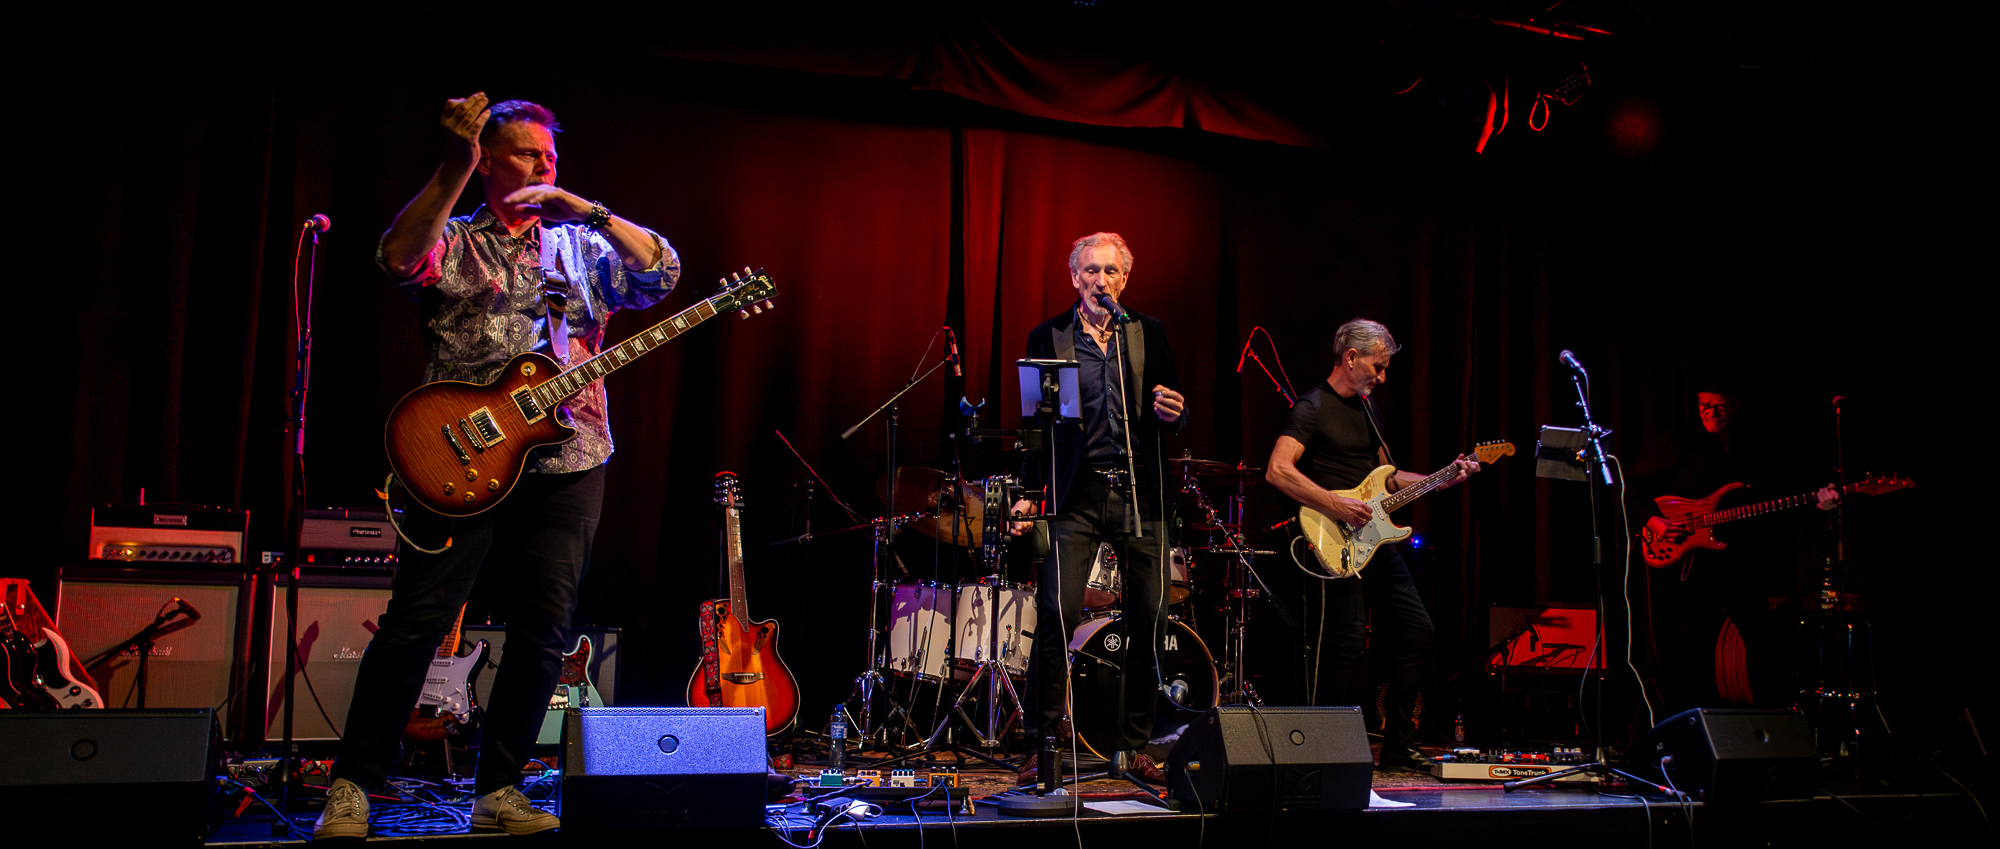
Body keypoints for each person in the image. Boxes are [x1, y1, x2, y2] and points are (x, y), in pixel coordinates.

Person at [316, 94, 680, 839]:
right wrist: (454, 162)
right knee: (416, 622)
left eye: (551, 154)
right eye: (526, 152)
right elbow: (397, 258)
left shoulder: (578, 248)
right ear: (487, 160)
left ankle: (500, 790)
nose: (544, 164)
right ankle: (352, 784)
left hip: (571, 456)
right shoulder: (455, 238)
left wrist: (588, 209)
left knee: (545, 629)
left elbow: (663, 272)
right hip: (460, 456)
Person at [1007, 232, 1186, 779]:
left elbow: (1174, 408)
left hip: (1141, 494)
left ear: (1124, 280)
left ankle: (1133, 748)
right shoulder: (1049, 335)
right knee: (1057, 617)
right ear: (1074, 277)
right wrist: (1027, 494)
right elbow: (1035, 427)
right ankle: (1040, 746)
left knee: (1150, 621)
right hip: (1076, 496)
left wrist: (1176, 413)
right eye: (1090, 271)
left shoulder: (1148, 331)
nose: (1100, 281)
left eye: (1110, 271)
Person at [1263, 318, 1479, 771]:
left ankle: (1398, 744)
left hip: (1375, 537)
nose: (1382, 377)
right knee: (1342, 642)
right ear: (1350, 357)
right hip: (1331, 538)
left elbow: (1389, 478)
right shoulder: (1311, 407)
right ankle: (1320, 751)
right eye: (1377, 367)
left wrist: (1441, 478)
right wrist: (1335, 504)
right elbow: (1278, 470)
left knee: (1417, 631)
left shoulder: (1368, 409)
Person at [1640, 386, 1836, 712]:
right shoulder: (1677, 440)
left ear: (1738, 405)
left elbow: (1785, 488)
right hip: (1692, 567)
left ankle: (1772, 721)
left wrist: (1818, 498)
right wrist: (1652, 520)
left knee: (1764, 643)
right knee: (1690, 649)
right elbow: (1631, 485)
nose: (1711, 413)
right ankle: (1697, 726)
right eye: (1704, 405)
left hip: (1741, 562)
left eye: (1721, 406)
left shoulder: (1759, 445)